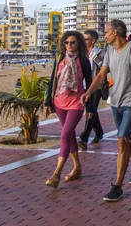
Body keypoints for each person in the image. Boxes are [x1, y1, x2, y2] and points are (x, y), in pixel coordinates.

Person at [81, 19, 131, 202]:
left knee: (121, 140)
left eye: (107, 32)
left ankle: (117, 186)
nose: (105, 35)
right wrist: (88, 92)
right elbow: (102, 75)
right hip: (115, 102)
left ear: (115, 33)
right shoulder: (110, 51)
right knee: (127, 139)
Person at [44, 31, 92, 189]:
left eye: (72, 42)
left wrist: (90, 107)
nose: (69, 45)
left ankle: (56, 173)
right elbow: (53, 81)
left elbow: (90, 84)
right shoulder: (59, 59)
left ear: (78, 43)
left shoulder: (83, 61)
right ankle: (77, 168)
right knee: (69, 135)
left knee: (65, 134)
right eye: (66, 42)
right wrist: (47, 102)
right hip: (59, 102)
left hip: (76, 103)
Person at [78, 30, 105, 150]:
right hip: (83, 86)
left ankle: (84, 137)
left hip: (96, 86)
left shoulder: (100, 52)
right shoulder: (81, 53)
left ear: (92, 40)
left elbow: (105, 67)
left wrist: (96, 60)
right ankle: (99, 132)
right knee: (92, 111)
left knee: (91, 110)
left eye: (86, 39)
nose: (83, 41)